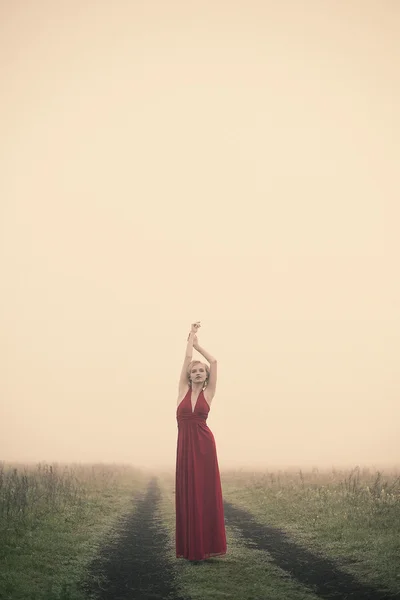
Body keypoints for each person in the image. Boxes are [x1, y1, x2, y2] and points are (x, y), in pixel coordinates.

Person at [175, 321, 227, 561]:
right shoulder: (182, 391)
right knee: (188, 492)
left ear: (205, 377)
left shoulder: (208, 393)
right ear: (189, 375)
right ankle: (191, 547)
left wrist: (200, 346)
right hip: (185, 447)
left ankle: (206, 545)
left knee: (204, 492)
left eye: (200, 371)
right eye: (194, 371)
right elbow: (186, 359)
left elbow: (214, 362)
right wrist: (190, 340)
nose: (197, 373)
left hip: (205, 446)